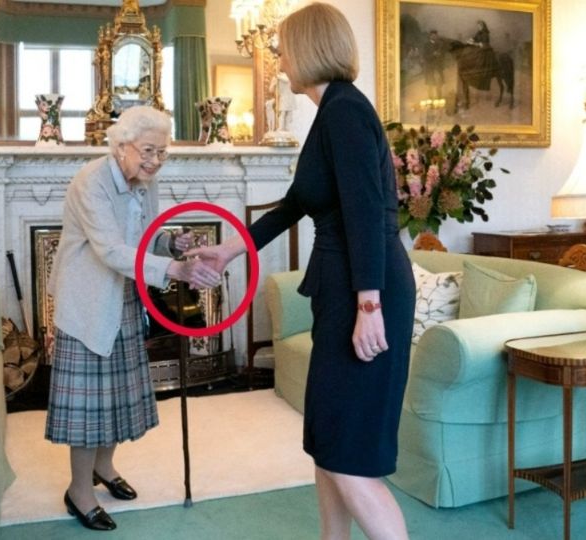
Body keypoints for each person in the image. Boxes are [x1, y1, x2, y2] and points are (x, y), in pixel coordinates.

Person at [187, 4, 414, 539]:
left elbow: (363, 213)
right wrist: (230, 251)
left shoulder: (345, 113)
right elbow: (296, 203)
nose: (278, 56)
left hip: (365, 291)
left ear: (310, 48)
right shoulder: (331, 111)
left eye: (284, 46)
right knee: (330, 445)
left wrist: (369, 305)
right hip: (343, 290)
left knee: (350, 458)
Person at [44, 106, 221, 531]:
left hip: (122, 296)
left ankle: (104, 468)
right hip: (86, 302)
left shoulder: (146, 183)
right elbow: (109, 249)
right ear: (121, 146)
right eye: (148, 151)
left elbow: (142, 239)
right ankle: (79, 491)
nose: (155, 161)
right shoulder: (92, 182)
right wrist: (173, 270)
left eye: (162, 152)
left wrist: (171, 242)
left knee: (116, 398)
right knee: (88, 408)